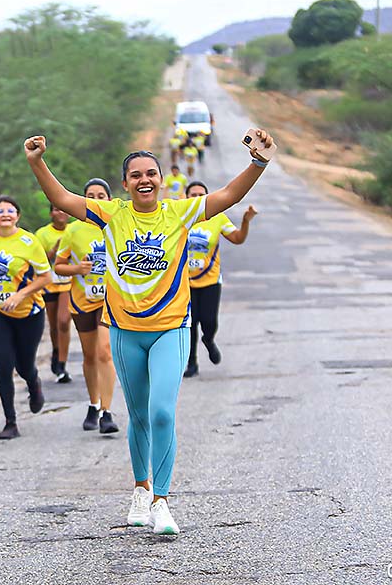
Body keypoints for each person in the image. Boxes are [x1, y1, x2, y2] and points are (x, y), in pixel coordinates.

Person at [24, 129, 274, 535]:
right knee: (138, 415)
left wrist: (258, 162)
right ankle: (140, 490)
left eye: (151, 173)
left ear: (160, 179)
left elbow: (228, 195)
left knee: (161, 412)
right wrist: (37, 162)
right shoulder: (112, 214)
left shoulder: (181, 212)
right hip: (125, 332)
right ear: (125, 183)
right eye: (136, 174)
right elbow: (63, 199)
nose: (144, 180)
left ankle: (161, 500)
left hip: (170, 329)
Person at [0, 195, 51, 439]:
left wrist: (21, 295)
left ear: (17, 216)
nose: (5, 214)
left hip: (29, 313)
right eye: (0, 211)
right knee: (3, 365)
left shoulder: (29, 241)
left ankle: (33, 383)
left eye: (10, 210)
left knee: (24, 365)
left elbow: (46, 277)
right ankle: (10, 421)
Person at [54, 178, 119, 434]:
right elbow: (58, 266)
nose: (96, 199)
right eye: (90, 195)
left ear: (109, 199)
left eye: (101, 195)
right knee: (90, 356)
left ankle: (107, 411)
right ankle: (93, 404)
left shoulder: (116, 225)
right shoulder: (73, 230)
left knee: (105, 352)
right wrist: (76, 269)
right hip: (82, 302)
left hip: (109, 302)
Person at [183, 181, 257, 378]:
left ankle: (209, 340)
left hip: (210, 281)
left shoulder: (216, 218)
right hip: (184, 283)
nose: (196, 197)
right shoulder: (180, 219)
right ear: (185, 197)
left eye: (201, 194)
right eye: (192, 194)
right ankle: (191, 363)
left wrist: (246, 221)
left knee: (208, 321)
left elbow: (238, 238)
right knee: (189, 324)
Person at [35, 206, 73, 383]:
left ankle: (62, 364)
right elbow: (38, 260)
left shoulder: (74, 230)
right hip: (50, 284)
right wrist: (55, 251)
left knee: (63, 321)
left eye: (64, 210)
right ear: (51, 213)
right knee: (54, 325)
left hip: (69, 282)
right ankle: (56, 351)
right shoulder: (42, 234)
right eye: (57, 210)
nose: (61, 213)